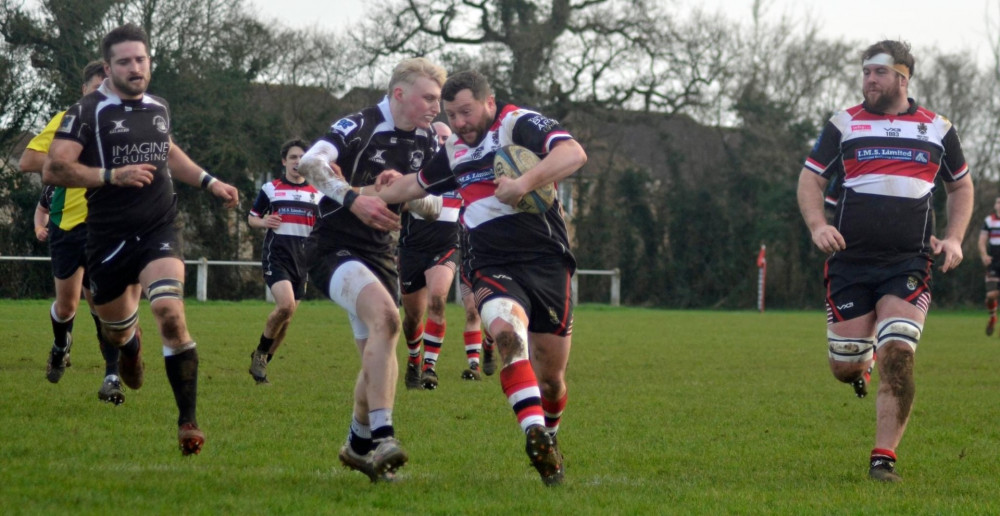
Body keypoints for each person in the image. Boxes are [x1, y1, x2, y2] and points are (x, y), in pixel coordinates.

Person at [375, 70, 588, 486]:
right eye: (451, 115)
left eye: (466, 112)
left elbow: (574, 154)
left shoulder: (517, 123)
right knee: (507, 335)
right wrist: (359, 193)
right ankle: (533, 434)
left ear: (489, 104)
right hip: (490, 264)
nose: (459, 123)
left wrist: (523, 184)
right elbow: (412, 187)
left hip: (546, 263)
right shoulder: (454, 151)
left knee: (552, 380)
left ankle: (550, 441)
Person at [42, 24, 239, 455]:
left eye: (141, 59)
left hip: (158, 230)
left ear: (150, 61)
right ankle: (129, 345)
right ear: (109, 67)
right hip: (108, 238)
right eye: (125, 61)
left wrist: (210, 182)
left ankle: (188, 422)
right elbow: (54, 170)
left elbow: (167, 150)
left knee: (170, 313)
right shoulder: (87, 111)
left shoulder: (158, 107)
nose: (135, 68)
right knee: (118, 339)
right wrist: (110, 176)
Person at [796, 40, 973, 482]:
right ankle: (861, 361)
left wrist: (954, 238)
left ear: (902, 77)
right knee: (844, 367)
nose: (868, 80)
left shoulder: (937, 128)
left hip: (908, 262)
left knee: (900, 349)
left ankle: (883, 458)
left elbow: (961, 187)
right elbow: (810, 180)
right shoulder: (843, 124)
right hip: (850, 262)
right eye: (864, 72)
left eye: (877, 72)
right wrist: (819, 226)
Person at [297, 57, 447, 482]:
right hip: (333, 248)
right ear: (399, 94)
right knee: (387, 319)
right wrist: (353, 199)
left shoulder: (429, 142)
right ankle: (384, 437)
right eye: (429, 97)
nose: (437, 107)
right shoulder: (359, 125)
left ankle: (357, 445)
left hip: (381, 254)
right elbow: (310, 164)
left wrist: (406, 189)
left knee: (376, 360)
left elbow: (435, 207)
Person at [19, 60, 137, 405]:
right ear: (85, 89)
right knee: (67, 305)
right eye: (99, 87)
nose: (104, 95)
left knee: (103, 307)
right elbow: (27, 161)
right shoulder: (65, 120)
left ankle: (111, 376)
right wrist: (72, 163)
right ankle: (60, 345)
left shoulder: (120, 123)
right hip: (67, 226)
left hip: (107, 227)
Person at [247, 138, 321, 384]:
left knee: (286, 321)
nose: (297, 161)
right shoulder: (271, 188)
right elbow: (252, 218)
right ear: (284, 161)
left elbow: (324, 227)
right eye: (292, 157)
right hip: (277, 256)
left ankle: (261, 364)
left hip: (303, 261)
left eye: (301, 157)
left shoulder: (317, 194)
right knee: (286, 306)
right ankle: (260, 353)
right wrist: (264, 222)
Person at [978, 196, 1000, 335]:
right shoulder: (989, 221)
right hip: (994, 263)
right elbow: (981, 241)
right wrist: (984, 255)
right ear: (995, 205)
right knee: (991, 295)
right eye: (998, 202)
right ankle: (993, 318)